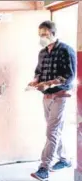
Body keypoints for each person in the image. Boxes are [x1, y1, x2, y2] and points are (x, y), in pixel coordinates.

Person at [29, 21, 77, 181]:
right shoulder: (42, 52)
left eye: (45, 34)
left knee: (52, 132)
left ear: (54, 34)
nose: (42, 37)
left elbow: (69, 76)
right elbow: (38, 71)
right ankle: (64, 159)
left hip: (61, 96)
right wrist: (35, 81)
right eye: (40, 34)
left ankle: (44, 168)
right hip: (46, 97)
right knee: (54, 130)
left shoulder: (66, 50)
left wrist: (48, 83)